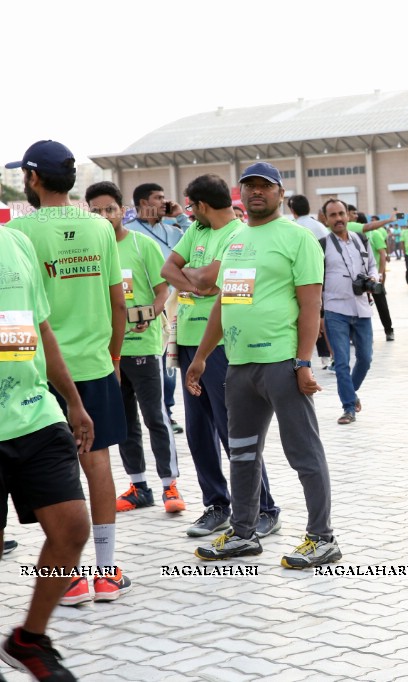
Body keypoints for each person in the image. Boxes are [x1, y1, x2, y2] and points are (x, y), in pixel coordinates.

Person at [186, 162, 339, 568]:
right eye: (249, 187)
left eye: (264, 187)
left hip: (281, 363)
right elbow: (225, 301)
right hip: (239, 365)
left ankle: (322, 538)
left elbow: (311, 304)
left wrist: (304, 361)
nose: (256, 193)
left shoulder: (297, 238)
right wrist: (201, 357)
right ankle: (242, 533)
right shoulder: (235, 240)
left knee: (303, 452)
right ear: (240, 194)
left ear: (280, 192)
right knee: (241, 453)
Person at [6, 140, 132, 605]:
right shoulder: (101, 228)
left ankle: (70, 578)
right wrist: (113, 359)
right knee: (97, 462)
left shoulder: (21, 233)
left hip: (41, 372)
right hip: (96, 366)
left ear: (33, 178)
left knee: (53, 472)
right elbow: (119, 303)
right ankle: (106, 572)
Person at [162, 174, 280, 538]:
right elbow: (172, 270)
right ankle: (217, 504)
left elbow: (212, 276)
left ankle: (264, 507)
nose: (188, 212)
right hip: (187, 344)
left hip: (218, 347)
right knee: (198, 431)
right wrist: (196, 286)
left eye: (190, 205)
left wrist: (197, 279)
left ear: (201, 205)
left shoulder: (236, 234)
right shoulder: (197, 231)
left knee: (234, 432)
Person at [0, 223, 92, 681]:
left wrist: (72, 400)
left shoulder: (16, 241)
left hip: (35, 412)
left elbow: (38, 325)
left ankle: (28, 639)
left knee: (73, 527)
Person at [85, 181, 185, 513]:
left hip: (143, 346)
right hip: (106, 352)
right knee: (124, 421)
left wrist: (150, 314)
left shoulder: (142, 246)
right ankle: (138, 486)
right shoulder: (90, 250)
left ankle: (170, 486)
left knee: (155, 416)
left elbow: (162, 292)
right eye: (96, 211)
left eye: (109, 209)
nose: (103, 216)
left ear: (122, 211)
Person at [124, 182, 189, 435]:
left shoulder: (173, 231)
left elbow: (196, 240)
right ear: (142, 203)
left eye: (165, 197)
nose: (164, 201)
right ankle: (145, 415)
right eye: (158, 198)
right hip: (143, 306)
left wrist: (181, 216)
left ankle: (167, 412)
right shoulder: (129, 232)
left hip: (172, 307)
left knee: (168, 364)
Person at [320, 198, 378, 424]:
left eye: (341, 214)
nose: (338, 219)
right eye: (332, 215)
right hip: (335, 310)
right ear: (325, 219)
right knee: (342, 362)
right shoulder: (322, 245)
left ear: (348, 215)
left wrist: (373, 277)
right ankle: (348, 408)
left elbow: (372, 264)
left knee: (365, 358)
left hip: (362, 307)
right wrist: (318, 313)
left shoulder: (361, 239)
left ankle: (351, 394)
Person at [366, 218, 394, 341]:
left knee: (381, 305)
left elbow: (382, 254)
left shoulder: (375, 234)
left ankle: (389, 330)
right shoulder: (351, 236)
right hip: (360, 278)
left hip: (374, 277)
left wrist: (380, 274)